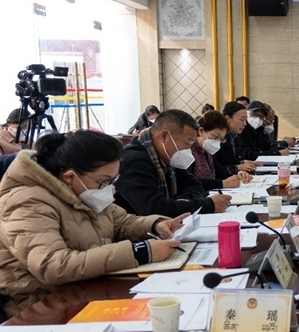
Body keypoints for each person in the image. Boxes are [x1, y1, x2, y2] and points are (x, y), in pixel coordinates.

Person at [0, 131, 186, 316]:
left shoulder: (84, 192)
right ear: (69, 176)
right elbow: (53, 266)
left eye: (113, 180)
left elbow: (121, 222)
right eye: (103, 181)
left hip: (85, 289)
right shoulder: (27, 202)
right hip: (41, 307)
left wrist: (155, 225)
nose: (109, 188)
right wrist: (140, 253)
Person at [115, 109, 232, 217]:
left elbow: (195, 185)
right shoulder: (133, 161)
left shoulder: (168, 157)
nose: (189, 150)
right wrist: (207, 205)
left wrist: (182, 202)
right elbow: (154, 209)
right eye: (187, 144)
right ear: (164, 137)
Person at [190, 110, 252, 191]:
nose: (217, 142)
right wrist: (222, 183)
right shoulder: (190, 151)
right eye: (215, 137)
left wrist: (238, 174)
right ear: (201, 131)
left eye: (221, 139)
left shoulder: (206, 151)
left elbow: (220, 171)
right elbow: (190, 182)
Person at [214, 102, 262, 176]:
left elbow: (230, 161)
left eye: (246, 120)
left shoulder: (235, 138)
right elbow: (216, 169)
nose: (245, 124)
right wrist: (237, 167)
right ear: (228, 119)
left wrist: (242, 162)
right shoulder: (217, 139)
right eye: (242, 120)